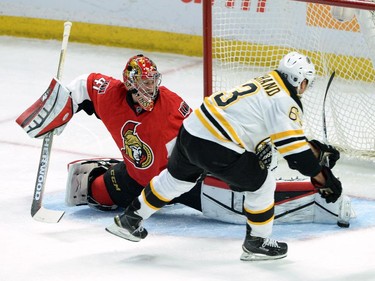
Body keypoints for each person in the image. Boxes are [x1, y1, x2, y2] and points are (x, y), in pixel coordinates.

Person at [105, 51, 344, 261]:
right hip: (215, 145)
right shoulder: (284, 101)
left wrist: (312, 152)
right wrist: (323, 177)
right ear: (298, 80)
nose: (305, 88)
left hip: (191, 130)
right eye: (306, 82)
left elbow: (276, 135)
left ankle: (130, 219)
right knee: (262, 184)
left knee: (175, 180)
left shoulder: (266, 80)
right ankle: (257, 243)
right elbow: (296, 157)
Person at [16, 54, 192, 211]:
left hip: (176, 182)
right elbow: (83, 85)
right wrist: (57, 109)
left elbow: (198, 137)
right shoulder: (112, 96)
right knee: (95, 192)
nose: (152, 87)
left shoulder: (172, 105)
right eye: (145, 82)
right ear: (130, 83)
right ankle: (111, 168)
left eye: (153, 81)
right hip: (136, 179)